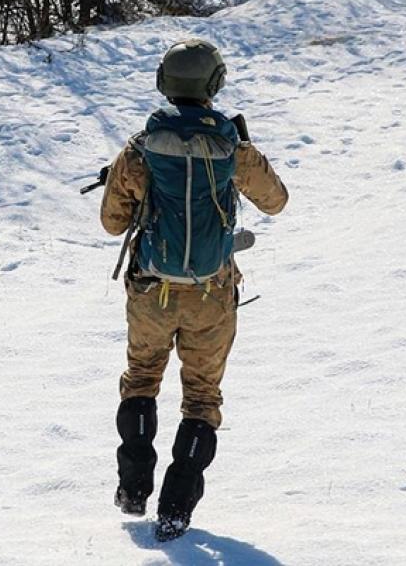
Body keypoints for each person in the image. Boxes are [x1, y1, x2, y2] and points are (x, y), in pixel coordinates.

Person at [99, 38, 288, 541]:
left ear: (165, 83)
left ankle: (134, 487)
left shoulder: (140, 148)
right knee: (202, 398)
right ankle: (177, 508)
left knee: (141, 379)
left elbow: (111, 223)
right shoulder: (232, 147)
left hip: (151, 292)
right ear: (214, 85)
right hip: (212, 294)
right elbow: (276, 202)